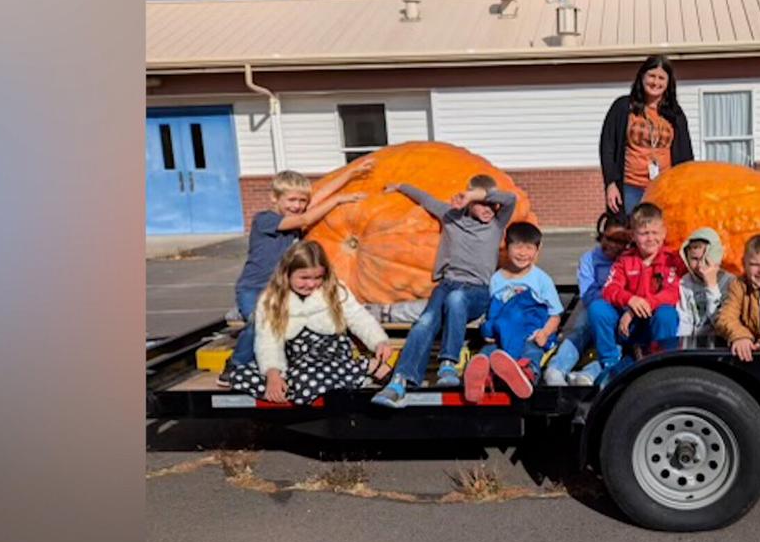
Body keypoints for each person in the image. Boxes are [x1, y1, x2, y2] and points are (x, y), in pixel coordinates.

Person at [218, 163, 372, 388]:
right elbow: (304, 219)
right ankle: (235, 365)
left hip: (281, 289)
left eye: (302, 202)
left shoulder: (297, 216)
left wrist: (350, 174)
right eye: (291, 200)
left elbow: (318, 197)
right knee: (258, 321)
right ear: (274, 198)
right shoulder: (265, 219)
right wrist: (339, 200)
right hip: (254, 288)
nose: (298, 206)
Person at [372, 175, 518, 408]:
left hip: (476, 292)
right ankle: (400, 381)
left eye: (492, 203)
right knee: (425, 322)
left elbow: (511, 198)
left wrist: (474, 195)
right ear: (468, 204)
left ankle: (448, 363)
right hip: (448, 284)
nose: (490, 208)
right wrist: (401, 186)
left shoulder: (497, 225)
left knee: (457, 299)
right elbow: (425, 199)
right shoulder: (451, 216)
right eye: (483, 204)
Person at [224, 241, 393, 404]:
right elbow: (267, 341)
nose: (311, 284)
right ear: (287, 273)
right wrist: (273, 375)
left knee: (306, 381)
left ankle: (366, 366)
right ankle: (363, 369)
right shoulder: (271, 300)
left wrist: (378, 341)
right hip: (297, 360)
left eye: (318, 277)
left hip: (331, 355)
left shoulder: (334, 290)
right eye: (304, 278)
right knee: (241, 375)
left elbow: (359, 318)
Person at [465, 222, 563, 402]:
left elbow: (555, 314)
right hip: (502, 336)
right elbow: (492, 310)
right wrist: (488, 330)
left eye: (528, 248)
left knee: (531, 352)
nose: (523, 253)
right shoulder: (497, 279)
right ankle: (479, 377)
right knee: (489, 352)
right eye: (517, 247)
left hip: (531, 335)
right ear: (506, 246)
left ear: (537, 249)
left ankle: (525, 375)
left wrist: (545, 332)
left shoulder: (541, 279)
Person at [589, 202, 684, 382]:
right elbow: (610, 289)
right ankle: (610, 361)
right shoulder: (625, 260)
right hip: (628, 328)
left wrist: (645, 304)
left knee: (666, 313)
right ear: (633, 235)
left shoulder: (671, 260)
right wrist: (630, 300)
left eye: (655, 233)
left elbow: (673, 293)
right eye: (644, 234)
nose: (650, 239)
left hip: (653, 323)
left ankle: (663, 363)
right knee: (598, 308)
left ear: (664, 233)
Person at [543, 210, 631, 387]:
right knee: (583, 327)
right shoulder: (589, 259)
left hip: (622, 310)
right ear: (601, 236)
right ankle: (556, 368)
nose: (614, 245)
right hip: (596, 307)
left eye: (621, 241)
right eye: (610, 239)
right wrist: (606, 303)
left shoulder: (630, 260)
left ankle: (588, 374)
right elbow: (587, 294)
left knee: (621, 342)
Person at [599, 55, 695, 215]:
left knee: (660, 233)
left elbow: (686, 155)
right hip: (630, 186)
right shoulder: (623, 107)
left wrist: (684, 188)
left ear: (668, 83)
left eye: (661, 78)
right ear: (642, 77)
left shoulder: (675, 114)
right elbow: (607, 147)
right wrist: (610, 184)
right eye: (651, 76)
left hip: (664, 187)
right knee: (630, 234)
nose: (655, 82)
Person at [677, 227, 736, 338]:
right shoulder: (685, 283)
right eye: (694, 259)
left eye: (705, 259)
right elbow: (684, 320)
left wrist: (711, 286)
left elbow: (721, 321)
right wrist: (683, 346)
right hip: (695, 345)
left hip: (721, 342)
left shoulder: (730, 282)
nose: (700, 265)